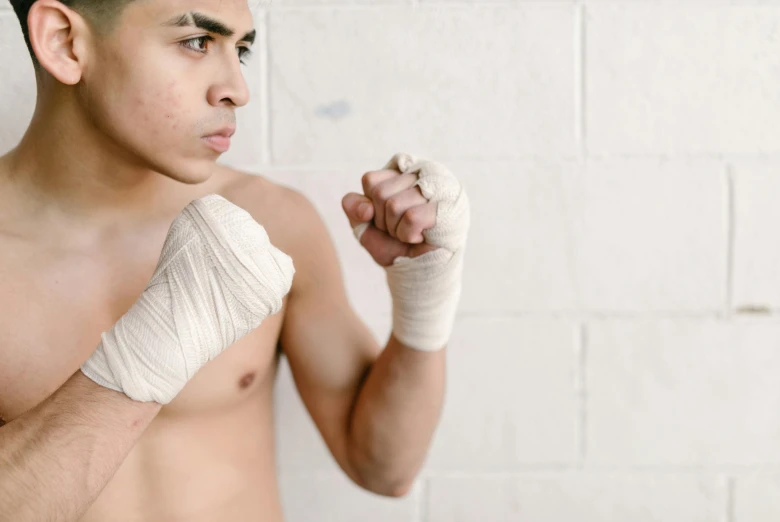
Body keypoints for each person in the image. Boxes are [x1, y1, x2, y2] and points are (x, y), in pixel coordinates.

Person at [0, 0, 470, 521]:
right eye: (196, 42)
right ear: (64, 42)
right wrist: (141, 360)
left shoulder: (271, 224)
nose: (238, 91)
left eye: (239, 51)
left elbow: (384, 470)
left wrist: (426, 290)